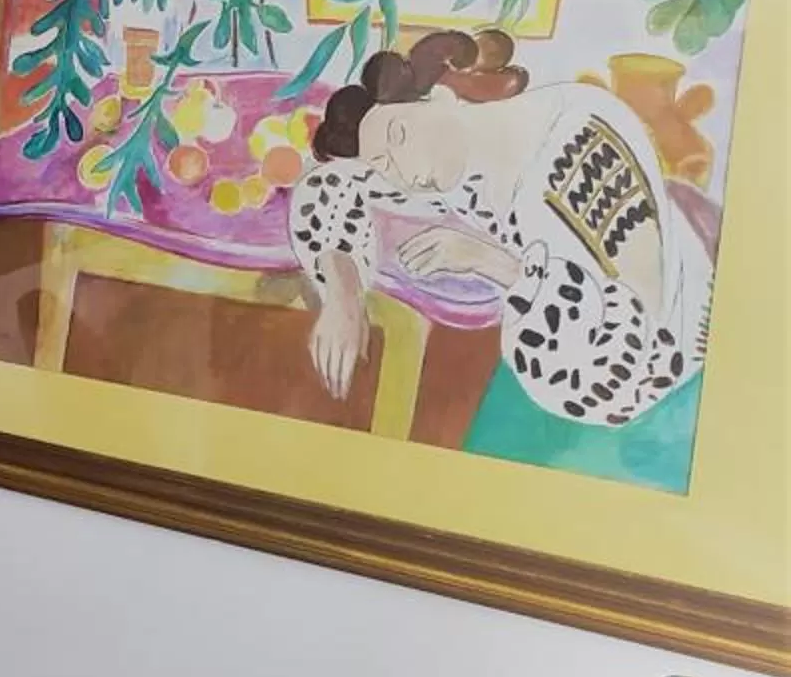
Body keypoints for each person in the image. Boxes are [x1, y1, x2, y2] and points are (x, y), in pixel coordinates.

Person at [293, 27, 714, 486]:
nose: (403, 172)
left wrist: (490, 262)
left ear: (440, 95)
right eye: (385, 165)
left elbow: (625, 346)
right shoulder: (458, 153)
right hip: (571, 344)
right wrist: (344, 292)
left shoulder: (579, 153)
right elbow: (331, 184)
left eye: (398, 135)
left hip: (658, 365)